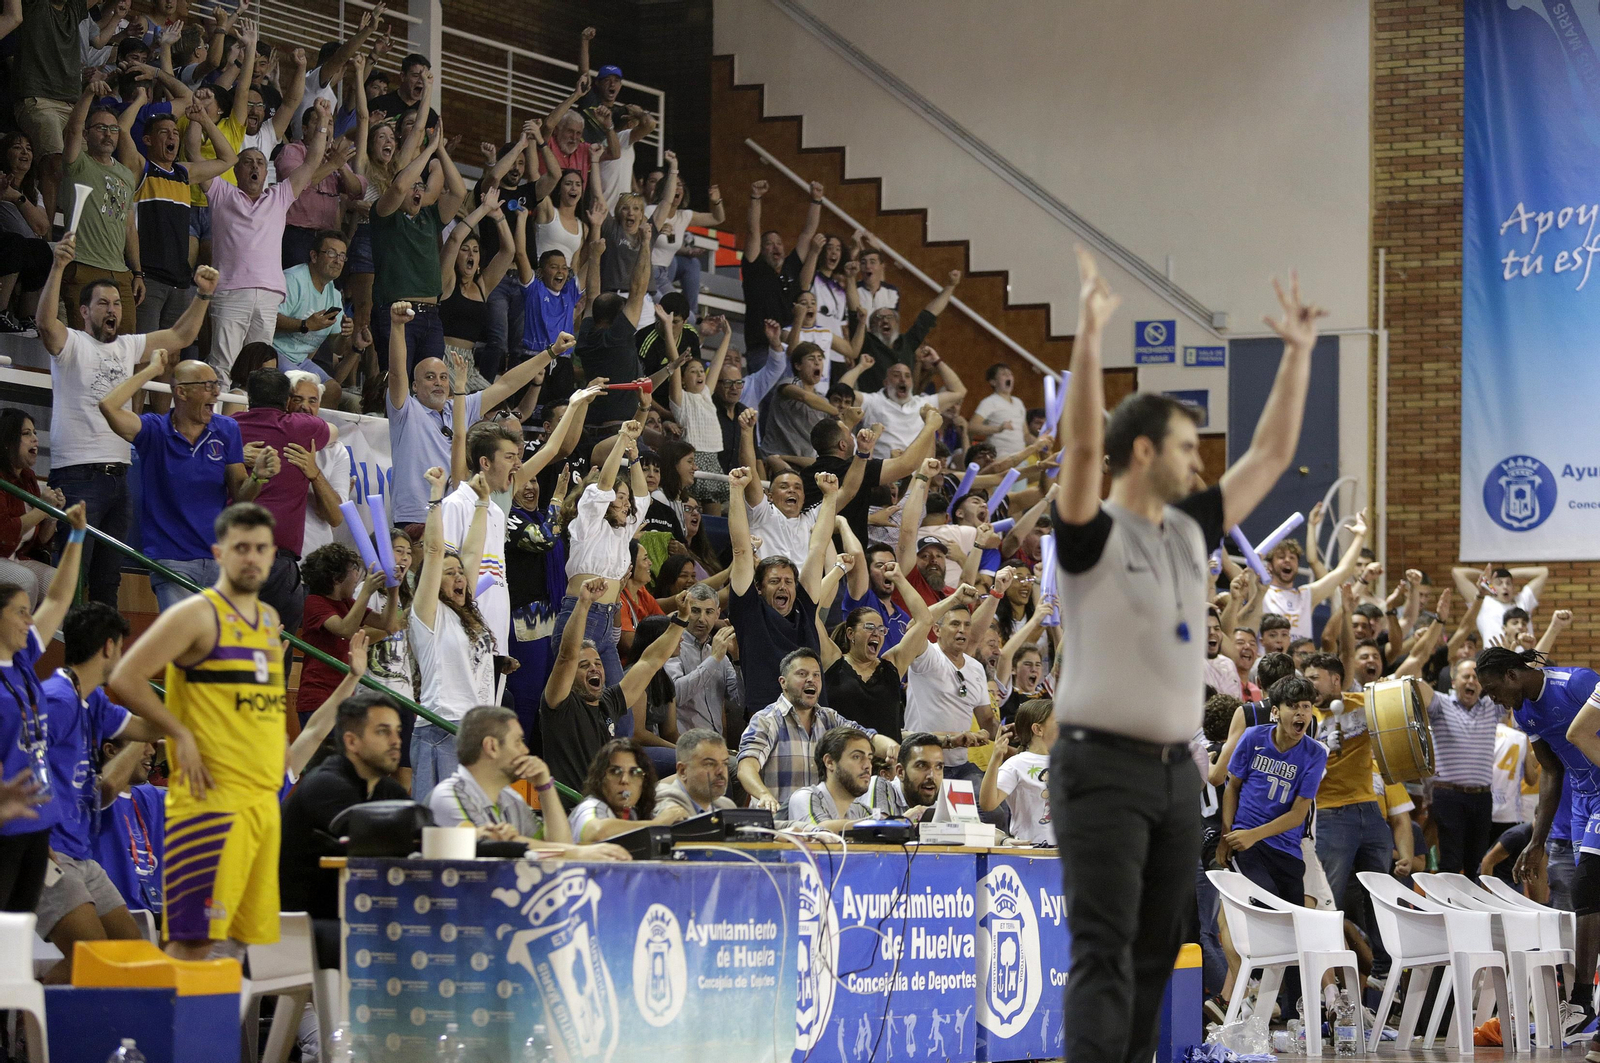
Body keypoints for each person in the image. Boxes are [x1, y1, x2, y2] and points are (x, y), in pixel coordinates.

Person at [1046, 250, 1322, 1061]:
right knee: (1104, 949)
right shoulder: (1090, 529)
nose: (1201, 464)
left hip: (1175, 773)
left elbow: (1269, 456)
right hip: (1100, 765)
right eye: (1186, 449)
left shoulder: (1189, 528)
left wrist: (1300, 354)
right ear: (1142, 452)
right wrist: (1089, 334)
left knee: (1157, 952)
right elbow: (1082, 446)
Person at [107, 503, 288, 957]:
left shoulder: (268, 620)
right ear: (219, 553)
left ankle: (218, 1011)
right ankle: (173, 1009)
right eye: (241, 548)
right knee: (194, 942)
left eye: (261, 548)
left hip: (261, 802)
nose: (252, 557)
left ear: (272, 555)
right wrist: (179, 732)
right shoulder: (196, 614)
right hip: (211, 801)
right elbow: (125, 677)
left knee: (240, 947)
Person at [40, 234, 216, 605]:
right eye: (103, 303)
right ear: (84, 311)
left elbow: (181, 334)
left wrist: (202, 295)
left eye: (117, 303)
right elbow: (45, 324)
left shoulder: (128, 345)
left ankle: (102, 641)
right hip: (76, 475)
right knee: (71, 576)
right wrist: (57, 267)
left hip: (120, 475)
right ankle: (61, 639)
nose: (113, 310)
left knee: (108, 580)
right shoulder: (72, 343)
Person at [1474, 646, 1600, 1031]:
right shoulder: (1523, 712)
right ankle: (1585, 1004)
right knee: (1589, 898)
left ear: (1512, 676)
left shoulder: (1576, 683)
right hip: (1582, 802)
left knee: (1587, 888)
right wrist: (1537, 840)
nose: (1494, 700)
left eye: (1493, 690)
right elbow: (1550, 770)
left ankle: (1580, 1001)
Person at [97, 350, 278, 610]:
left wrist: (258, 478)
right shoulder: (154, 430)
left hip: (219, 558)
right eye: (208, 386)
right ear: (181, 392)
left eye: (216, 385)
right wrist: (152, 370)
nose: (217, 393)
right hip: (172, 559)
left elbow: (240, 494)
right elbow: (108, 406)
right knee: (184, 635)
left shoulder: (227, 429)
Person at [36, 602, 159, 982]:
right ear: (109, 647)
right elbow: (18, 760)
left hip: (81, 855)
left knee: (135, 958)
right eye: (121, 648)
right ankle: (29, 1016)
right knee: (95, 962)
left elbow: (146, 729)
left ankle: (30, 1009)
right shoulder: (56, 700)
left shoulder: (92, 700)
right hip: (48, 853)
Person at [383, 299, 569, 527]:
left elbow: (507, 384)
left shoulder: (461, 406)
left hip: (455, 520)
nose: (438, 382)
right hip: (414, 519)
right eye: (430, 377)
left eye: (443, 377)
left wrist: (551, 352)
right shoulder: (405, 410)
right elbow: (397, 373)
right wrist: (397, 327)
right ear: (414, 386)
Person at [202, 99, 343, 376]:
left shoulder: (279, 196)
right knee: (222, 366)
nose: (254, 167)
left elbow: (312, 161)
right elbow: (196, 155)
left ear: (267, 172)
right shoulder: (222, 192)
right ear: (236, 170)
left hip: (268, 296)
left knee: (262, 370)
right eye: (247, 163)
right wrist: (202, 121)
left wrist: (323, 121)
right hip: (231, 291)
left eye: (260, 163)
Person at [278, 690, 408, 968]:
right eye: (383, 731)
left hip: (348, 915)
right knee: (411, 937)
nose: (396, 741)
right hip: (296, 927)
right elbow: (376, 838)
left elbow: (420, 830)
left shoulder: (387, 789)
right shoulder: (325, 785)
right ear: (351, 741)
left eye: (398, 731)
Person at [0, 502, 86, 913]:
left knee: (17, 932)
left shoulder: (22, 660)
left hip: (38, 820)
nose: (29, 620)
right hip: (5, 820)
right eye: (20, 612)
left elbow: (59, 598)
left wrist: (77, 536)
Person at [428, 706, 629, 862]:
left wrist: (545, 787)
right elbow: (489, 846)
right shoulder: (449, 794)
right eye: (518, 742)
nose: (525, 751)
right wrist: (579, 853)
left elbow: (558, 847)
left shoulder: (511, 799)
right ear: (491, 747)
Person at [541, 576, 685, 792]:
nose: (594, 668)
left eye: (598, 663)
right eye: (584, 665)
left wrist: (681, 619)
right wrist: (584, 603)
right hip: (578, 805)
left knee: (694, 772)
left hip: (612, 800)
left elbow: (650, 662)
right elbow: (567, 656)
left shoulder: (609, 701)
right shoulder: (560, 703)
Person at [408, 467, 495, 800]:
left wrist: (483, 503)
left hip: (472, 732)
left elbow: (472, 553)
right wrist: (436, 496)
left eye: (460, 573)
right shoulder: (429, 613)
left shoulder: (466, 615)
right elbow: (433, 552)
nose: (459, 577)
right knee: (439, 825)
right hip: (440, 728)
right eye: (450, 573)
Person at [231, 366, 337, 631]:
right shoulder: (302, 428)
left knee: (229, 642)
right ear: (287, 400)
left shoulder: (230, 427)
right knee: (276, 645)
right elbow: (333, 431)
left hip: (234, 554)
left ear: (249, 398)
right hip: (277, 561)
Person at [725, 465, 835, 714]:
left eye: (788, 581)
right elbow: (741, 550)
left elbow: (818, 548)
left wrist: (830, 496)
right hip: (768, 719)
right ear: (759, 588)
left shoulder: (804, 608)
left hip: (815, 717)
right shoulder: (749, 611)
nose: (783, 586)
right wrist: (736, 489)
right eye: (775, 581)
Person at [122, 107, 235, 341]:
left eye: (175, 132)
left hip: (180, 282)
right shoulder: (142, 168)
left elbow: (229, 159)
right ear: (147, 140)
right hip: (148, 278)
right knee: (145, 349)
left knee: (171, 354)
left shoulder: (184, 173)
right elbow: (122, 128)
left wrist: (204, 119)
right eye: (164, 132)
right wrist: (141, 99)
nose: (172, 136)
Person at [736, 647, 895, 812]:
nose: (811, 680)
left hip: (821, 820)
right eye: (802, 674)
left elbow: (866, 738)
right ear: (783, 682)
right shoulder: (766, 720)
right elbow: (746, 767)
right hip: (780, 819)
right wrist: (764, 794)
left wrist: (892, 748)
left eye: (816, 675)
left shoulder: (830, 718)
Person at [370, 117, 468, 369]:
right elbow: (399, 186)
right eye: (413, 186)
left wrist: (441, 150)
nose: (417, 191)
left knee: (429, 383)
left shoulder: (430, 216)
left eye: (421, 187)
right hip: (396, 312)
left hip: (432, 316)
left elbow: (459, 192)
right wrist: (429, 149)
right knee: (396, 381)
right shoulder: (384, 214)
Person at [1218, 676, 1327, 903]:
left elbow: (1298, 814)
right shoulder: (1253, 737)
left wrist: (1255, 834)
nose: (1300, 713)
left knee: (1289, 917)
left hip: (1287, 848)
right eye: (1293, 706)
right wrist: (1226, 836)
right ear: (1276, 711)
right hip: (1247, 842)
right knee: (1265, 905)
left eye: (1306, 706)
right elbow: (1232, 787)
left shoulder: (1315, 754)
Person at [817, 556, 942, 742]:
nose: (877, 633)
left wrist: (899, 578)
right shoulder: (833, 660)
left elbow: (924, 620)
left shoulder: (893, 664)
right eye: (869, 627)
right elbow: (811, 610)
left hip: (888, 758)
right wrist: (838, 569)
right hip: (843, 756)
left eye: (881, 629)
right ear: (850, 633)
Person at [904, 574, 1013, 780]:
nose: (962, 630)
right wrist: (954, 599)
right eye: (955, 624)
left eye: (966, 625)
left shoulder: (975, 668)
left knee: (991, 801)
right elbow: (913, 627)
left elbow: (987, 721)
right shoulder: (927, 656)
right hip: (923, 761)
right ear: (936, 629)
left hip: (961, 765)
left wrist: (1008, 733)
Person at [60, 79, 140, 333]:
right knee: (86, 344)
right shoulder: (78, 163)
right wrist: (87, 94)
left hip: (120, 273)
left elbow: (129, 227)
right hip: (84, 266)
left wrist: (137, 272)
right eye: (101, 128)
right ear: (87, 135)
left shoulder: (126, 174)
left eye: (114, 129)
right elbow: (72, 130)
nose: (108, 134)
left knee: (125, 346)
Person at [440, 421, 519, 655]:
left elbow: (496, 579)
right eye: (509, 457)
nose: (517, 464)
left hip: (496, 634)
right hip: (464, 636)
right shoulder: (454, 505)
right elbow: (444, 579)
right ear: (485, 463)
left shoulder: (496, 512)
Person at [296, 544, 397, 727]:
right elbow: (345, 630)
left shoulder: (347, 603)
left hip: (343, 697)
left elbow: (386, 623)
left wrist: (393, 589)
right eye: (354, 570)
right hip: (319, 698)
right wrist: (366, 591)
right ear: (337, 578)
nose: (358, 577)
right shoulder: (314, 602)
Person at [740, 178, 821, 361]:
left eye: (779, 243)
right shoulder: (754, 268)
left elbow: (807, 233)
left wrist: (816, 200)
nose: (776, 246)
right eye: (769, 244)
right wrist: (755, 197)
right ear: (761, 250)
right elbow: (753, 230)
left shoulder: (791, 266)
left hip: (792, 346)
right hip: (762, 348)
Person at [1258, 516, 1368, 641]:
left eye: (1292, 557)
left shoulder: (1306, 595)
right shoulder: (1260, 593)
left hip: (1302, 653)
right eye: (1281, 557)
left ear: (1297, 565)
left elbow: (1343, 571)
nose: (1287, 560)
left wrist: (1360, 536)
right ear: (1270, 565)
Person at [852, 270, 961, 394]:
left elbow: (929, 314)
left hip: (904, 403)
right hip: (874, 403)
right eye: (878, 318)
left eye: (889, 317)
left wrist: (950, 286)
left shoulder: (907, 342)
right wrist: (850, 278)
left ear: (897, 324)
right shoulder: (866, 344)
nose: (884, 320)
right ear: (871, 327)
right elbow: (853, 312)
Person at [568, 737, 688, 841]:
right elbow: (597, 832)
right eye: (615, 772)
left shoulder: (631, 813)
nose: (625, 780)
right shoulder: (590, 807)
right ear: (600, 778)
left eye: (634, 773)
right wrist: (657, 824)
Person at [94, 736, 163, 915]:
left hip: (158, 915)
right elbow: (107, 786)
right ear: (110, 751)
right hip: (113, 917)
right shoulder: (87, 798)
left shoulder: (153, 797)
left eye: (152, 744)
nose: (151, 752)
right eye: (142, 743)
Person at [664, 583, 741, 738]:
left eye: (709, 612)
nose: (702, 619)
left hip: (715, 742)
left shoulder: (720, 656)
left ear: (717, 614)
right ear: (684, 611)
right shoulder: (672, 648)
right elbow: (676, 694)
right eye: (695, 611)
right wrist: (713, 659)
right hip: (684, 744)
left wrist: (738, 660)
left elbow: (740, 700)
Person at [0, 411, 60, 606]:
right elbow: (5, 532)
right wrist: (42, 509)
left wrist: (52, 514)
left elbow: (40, 541)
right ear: (7, 441)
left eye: (34, 432)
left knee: (57, 582)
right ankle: (19, 627)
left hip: (14, 557)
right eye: (26, 433)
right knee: (25, 579)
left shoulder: (28, 477)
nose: (35, 439)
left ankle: (41, 628)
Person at [980, 698, 1058, 845]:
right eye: (1058, 723)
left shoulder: (1067, 762)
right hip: (1032, 849)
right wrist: (995, 759)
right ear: (1038, 729)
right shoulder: (1017, 764)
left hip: (1066, 851)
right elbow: (988, 804)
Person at [273, 229, 350, 377]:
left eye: (342, 256)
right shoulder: (293, 279)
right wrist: (305, 325)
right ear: (314, 256)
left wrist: (345, 335)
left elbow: (337, 349)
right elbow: (269, 319)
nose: (337, 261)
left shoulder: (334, 294)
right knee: (306, 383)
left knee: (333, 389)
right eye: (331, 253)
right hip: (274, 353)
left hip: (301, 361)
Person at [861, 351, 966, 459]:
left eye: (907, 376)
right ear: (886, 382)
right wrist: (860, 367)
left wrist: (937, 361)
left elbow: (959, 391)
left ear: (912, 382)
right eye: (896, 375)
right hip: (880, 466)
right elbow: (848, 392)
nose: (903, 379)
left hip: (913, 468)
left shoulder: (923, 404)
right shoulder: (872, 401)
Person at [788, 725, 876, 832]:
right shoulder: (805, 797)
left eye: (870, 758)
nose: (867, 765)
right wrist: (877, 826)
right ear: (829, 762)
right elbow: (819, 831)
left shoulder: (862, 811)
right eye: (856, 757)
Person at [1454, 563, 1551, 645]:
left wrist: (1508, 573)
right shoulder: (1483, 603)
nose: (1505, 586)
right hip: (1495, 659)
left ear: (1513, 587)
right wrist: (1490, 575)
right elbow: (1457, 573)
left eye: (1508, 583)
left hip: (1524, 658)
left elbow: (1543, 572)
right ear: (1491, 586)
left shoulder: (1522, 601)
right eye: (1499, 583)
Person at [654, 728, 736, 817]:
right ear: (683, 771)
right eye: (709, 764)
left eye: (725, 763)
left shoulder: (726, 806)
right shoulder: (667, 806)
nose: (720, 771)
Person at [865, 732, 944, 820]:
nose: (932, 776)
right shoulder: (881, 786)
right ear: (900, 772)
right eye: (921, 766)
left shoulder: (941, 806)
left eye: (938, 767)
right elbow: (877, 826)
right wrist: (905, 819)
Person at [970, 363, 1030, 459]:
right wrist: (998, 429)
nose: (1008, 376)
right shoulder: (989, 402)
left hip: (1020, 457)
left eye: (1010, 374)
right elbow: (972, 427)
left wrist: (1041, 441)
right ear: (993, 382)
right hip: (1000, 457)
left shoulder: (1019, 403)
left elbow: (1026, 435)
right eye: (1004, 374)